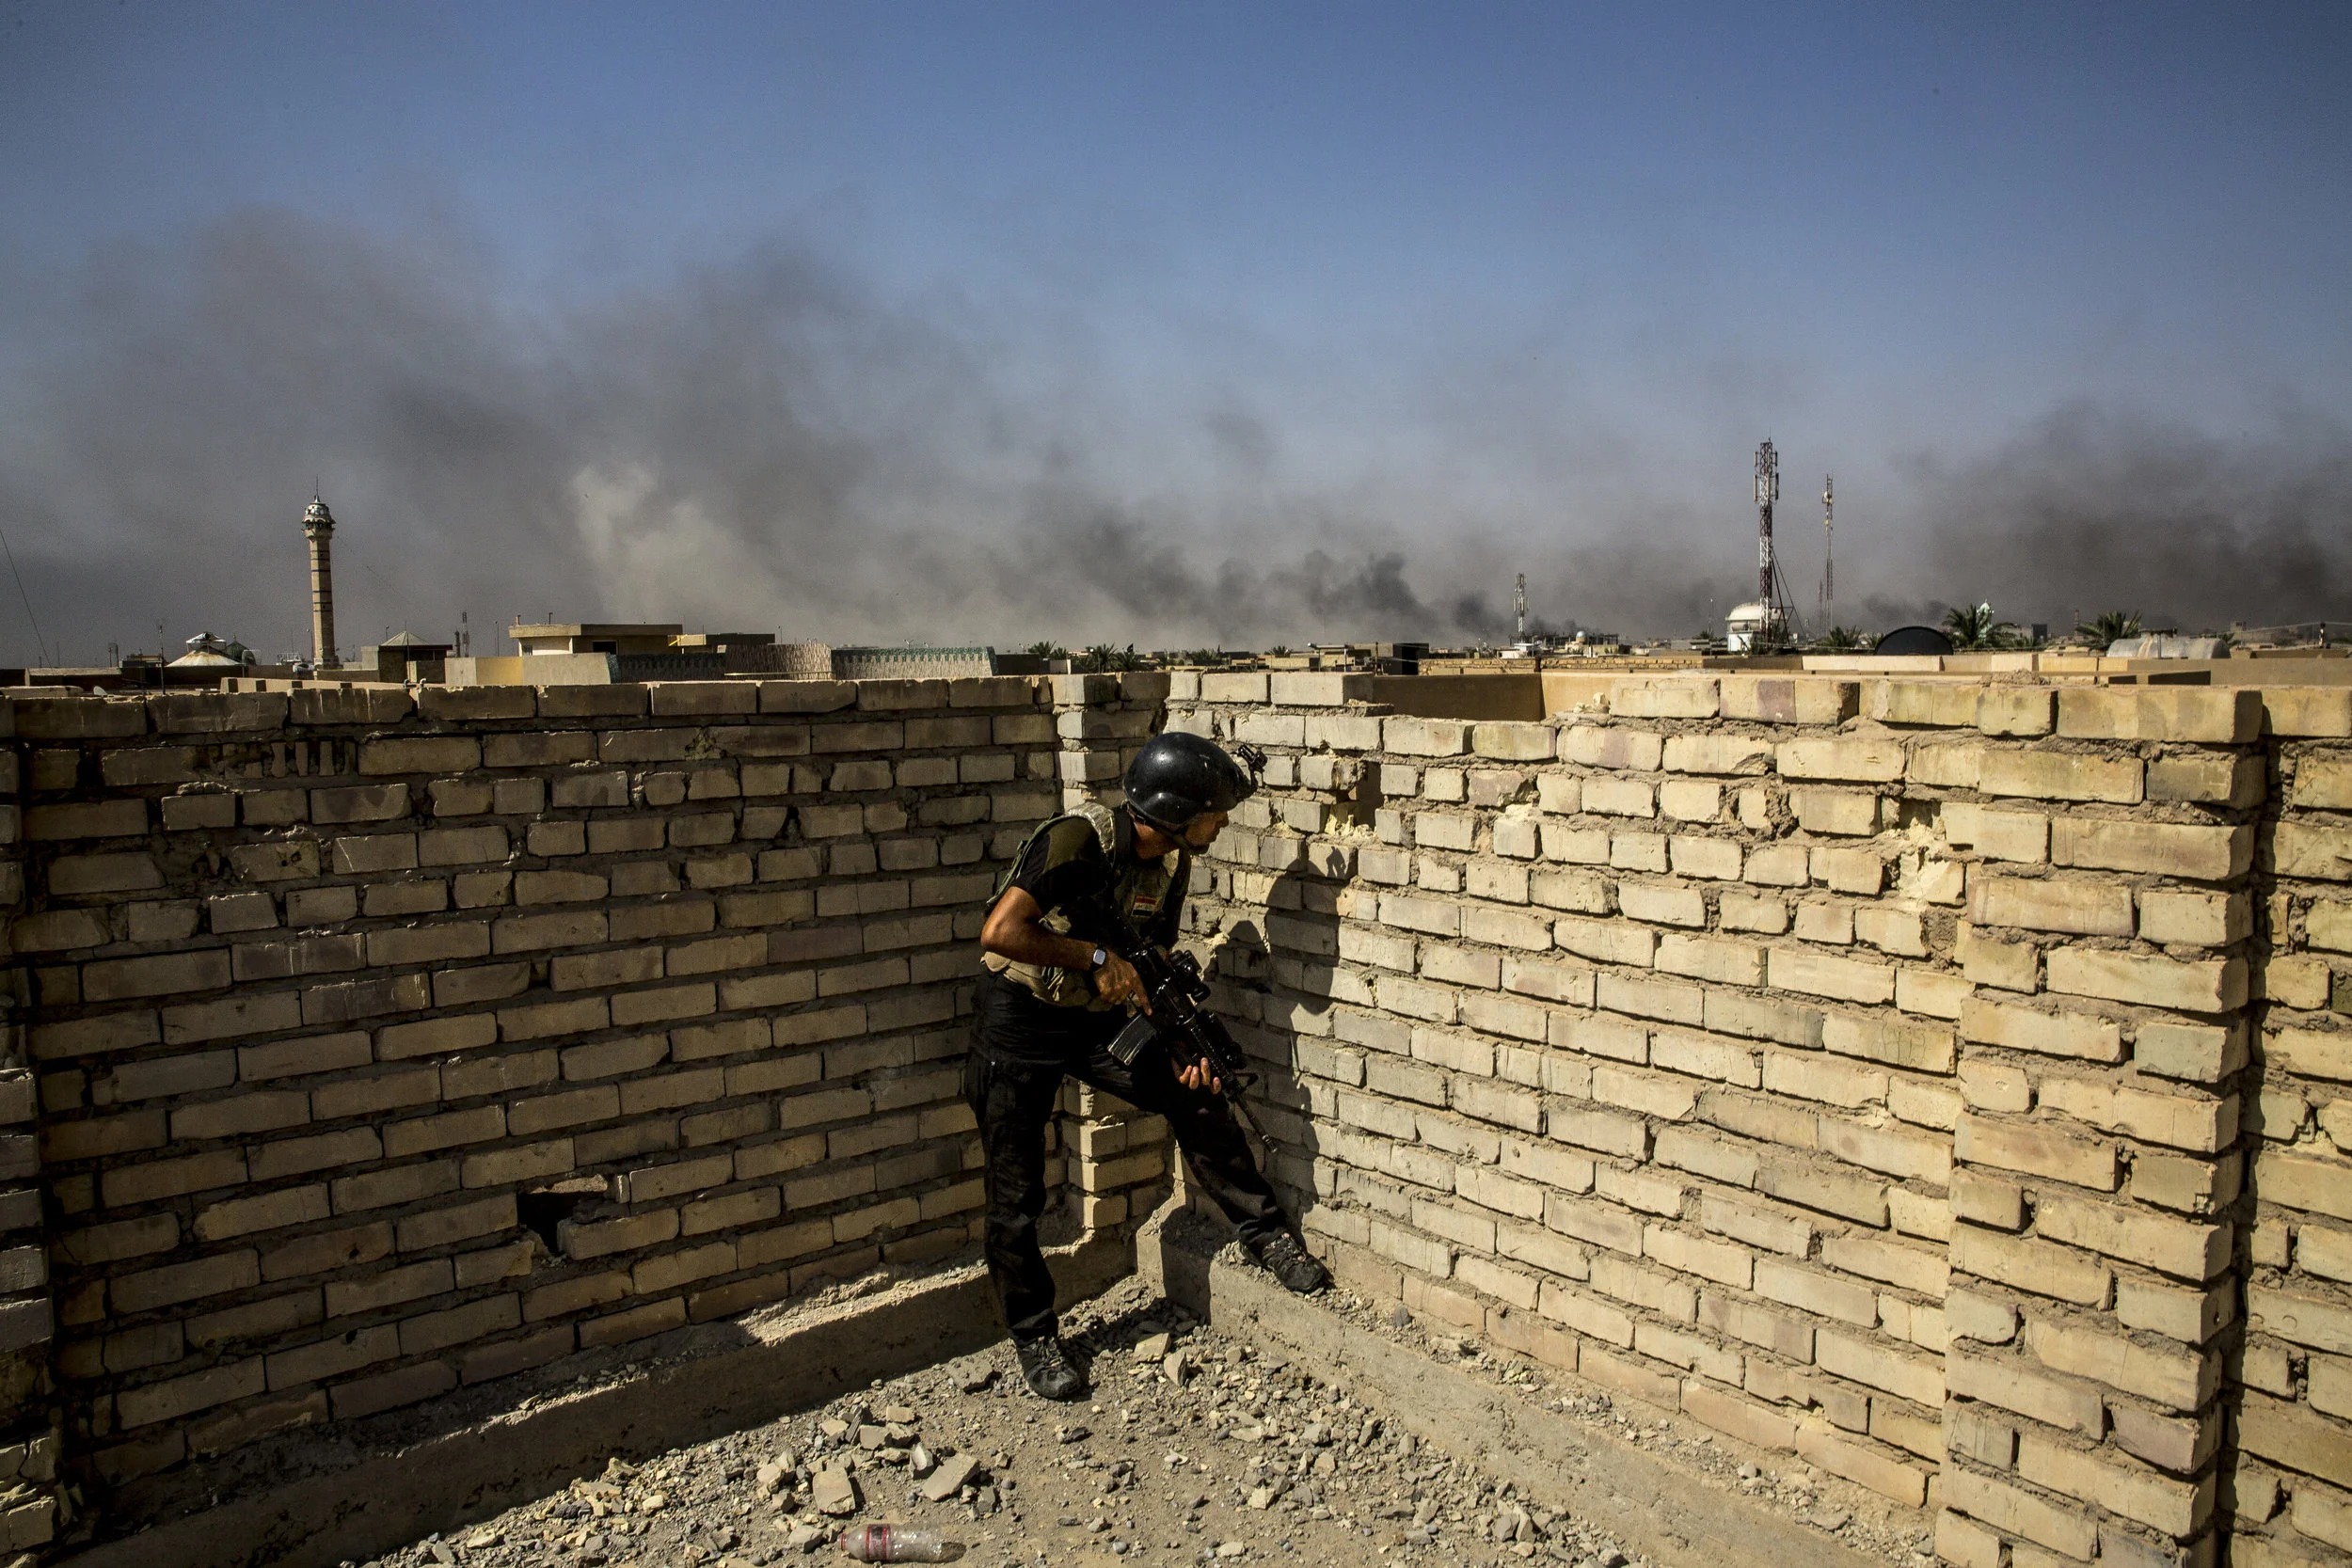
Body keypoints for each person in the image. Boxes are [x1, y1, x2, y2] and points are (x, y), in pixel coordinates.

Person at [966, 730, 1330, 1400]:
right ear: (1174, 809)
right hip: (1019, 1013)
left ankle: (1266, 1234)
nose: (1220, 825)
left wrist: (1181, 1044)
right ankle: (1034, 1331)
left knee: (1198, 1094)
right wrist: (1095, 960)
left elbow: (1147, 963)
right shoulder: (1078, 839)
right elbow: (1001, 930)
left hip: (1096, 1013)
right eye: (1214, 813)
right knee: (1014, 1191)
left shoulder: (1171, 865)